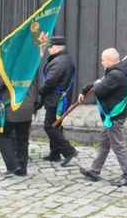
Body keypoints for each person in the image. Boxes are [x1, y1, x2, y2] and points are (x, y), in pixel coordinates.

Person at [78, 48, 127, 187]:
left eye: (104, 60)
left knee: (119, 146)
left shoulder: (115, 75)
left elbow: (99, 90)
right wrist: (84, 90)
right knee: (104, 143)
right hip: (111, 116)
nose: (102, 62)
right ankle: (94, 171)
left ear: (111, 60)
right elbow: (98, 83)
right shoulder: (115, 72)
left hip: (114, 116)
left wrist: (96, 85)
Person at [38, 35, 78, 166]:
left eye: (51, 47)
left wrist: (41, 91)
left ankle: (69, 151)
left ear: (58, 47)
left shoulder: (59, 62)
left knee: (50, 126)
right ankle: (54, 154)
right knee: (57, 125)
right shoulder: (64, 59)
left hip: (56, 100)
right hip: (59, 98)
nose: (49, 49)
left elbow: (50, 81)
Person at [0, 70, 38, 176]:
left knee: (0, 134)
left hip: (12, 109)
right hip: (27, 108)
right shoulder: (29, 66)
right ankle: (22, 169)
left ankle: (13, 165)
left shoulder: (10, 67)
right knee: (23, 139)